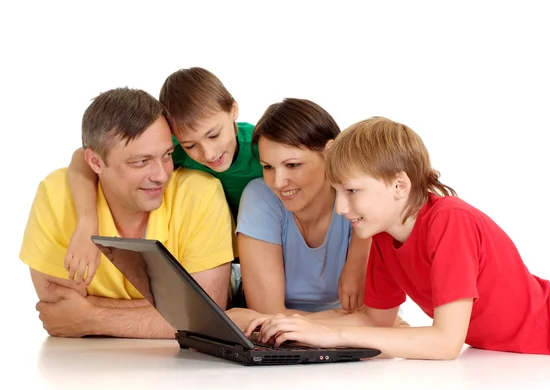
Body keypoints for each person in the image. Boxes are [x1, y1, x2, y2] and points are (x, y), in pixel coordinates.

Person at [245, 116, 550, 358]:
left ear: (400, 185)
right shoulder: (382, 235)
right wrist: (295, 325)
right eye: (337, 192)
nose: (341, 208)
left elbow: (446, 343)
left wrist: (332, 335)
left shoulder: (449, 222)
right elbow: (375, 321)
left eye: (351, 191)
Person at [63, 68, 367, 312]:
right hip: (226, 260)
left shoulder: (262, 148)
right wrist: (87, 222)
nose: (208, 154)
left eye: (214, 134)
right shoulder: (173, 155)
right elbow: (84, 158)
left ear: (233, 110)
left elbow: (357, 188)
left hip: (272, 252)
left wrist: (355, 263)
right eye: (190, 144)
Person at [19, 87, 235, 338]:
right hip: (83, 370)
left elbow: (207, 316)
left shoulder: (200, 192)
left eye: (167, 155)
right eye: (141, 162)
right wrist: (174, 312)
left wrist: (92, 317)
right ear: (96, 162)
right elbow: (57, 306)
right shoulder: (56, 193)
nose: (161, 175)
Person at [235, 98, 371, 315]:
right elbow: (268, 314)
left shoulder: (365, 199)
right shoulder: (261, 197)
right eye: (268, 167)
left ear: (330, 152)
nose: (278, 183)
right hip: (282, 340)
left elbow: (376, 317)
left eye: (292, 165)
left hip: (344, 339)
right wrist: (349, 323)